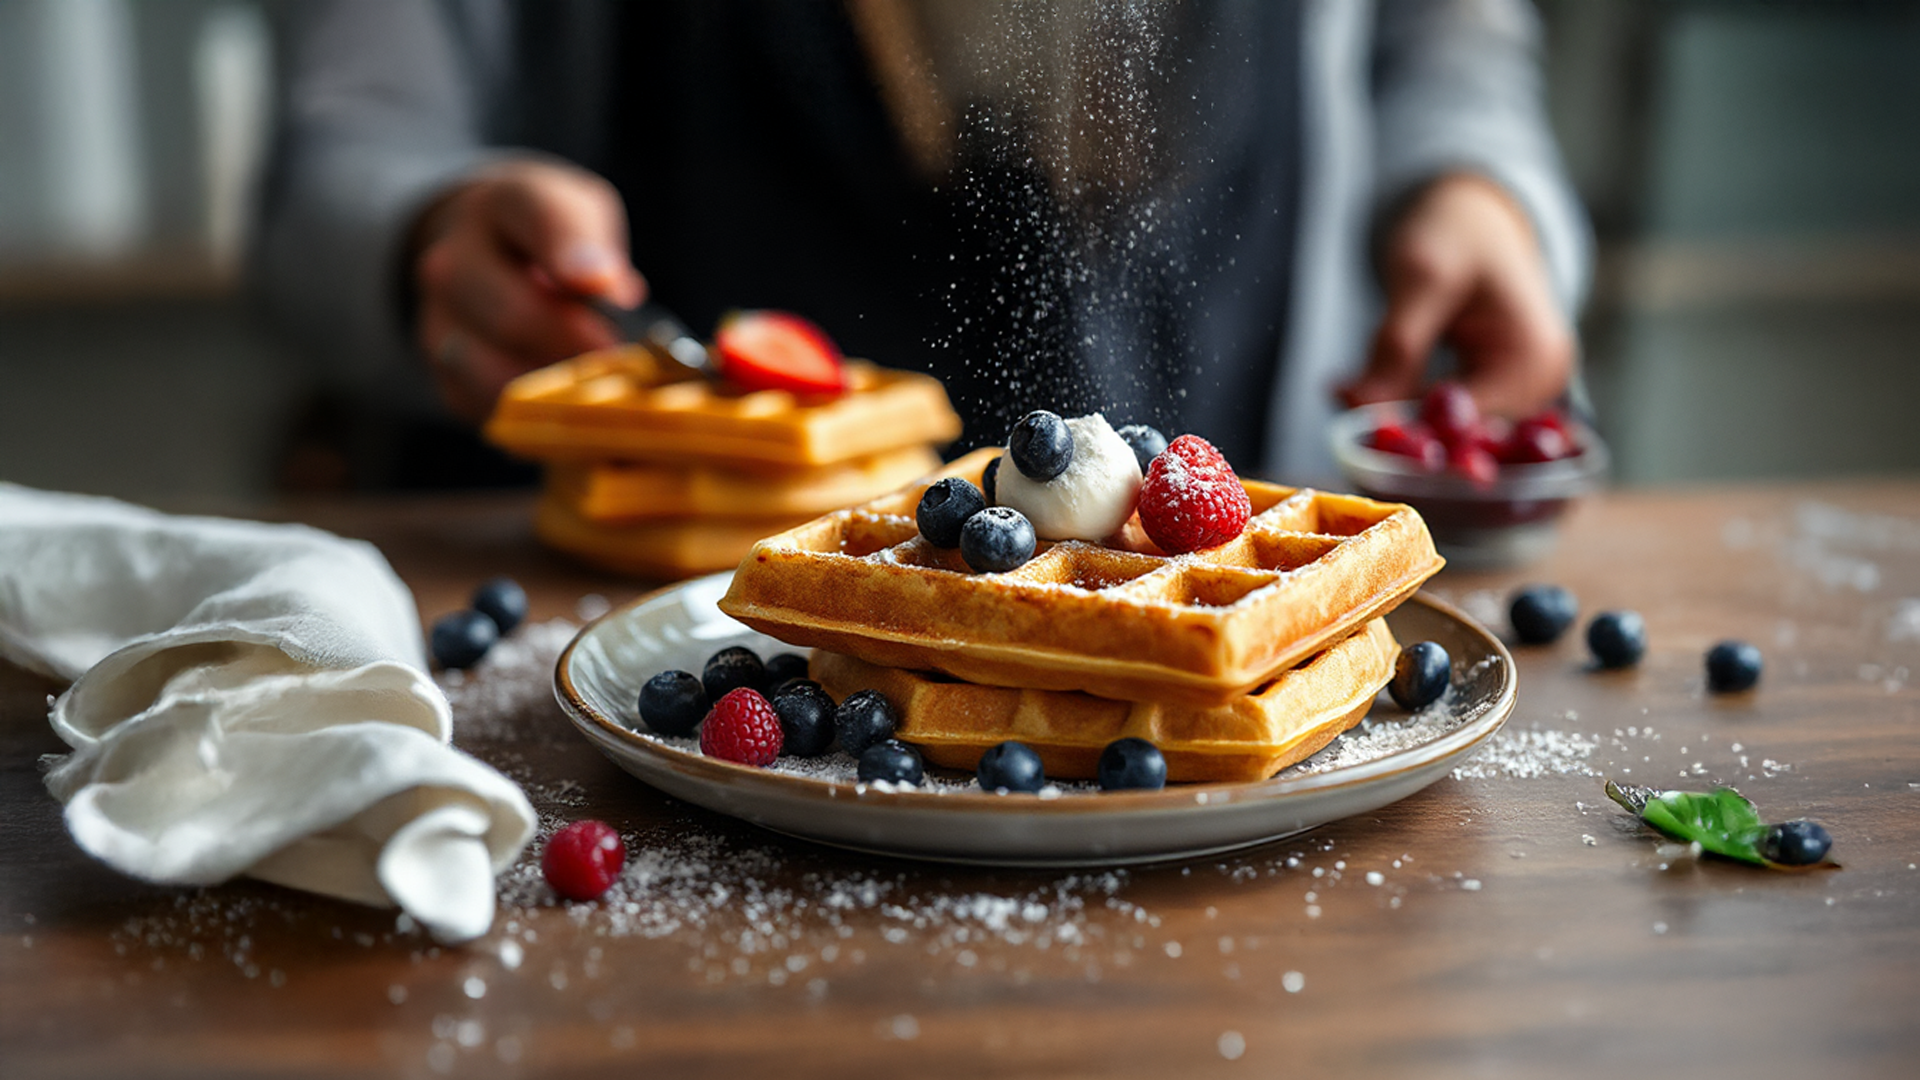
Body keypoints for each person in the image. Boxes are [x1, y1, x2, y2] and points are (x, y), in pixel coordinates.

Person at [255, 0, 1587, 483]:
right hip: (647, 676)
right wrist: (423, 235)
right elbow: (339, 154)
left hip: (1247, 666)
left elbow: (1447, 33)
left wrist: (1477, 184)